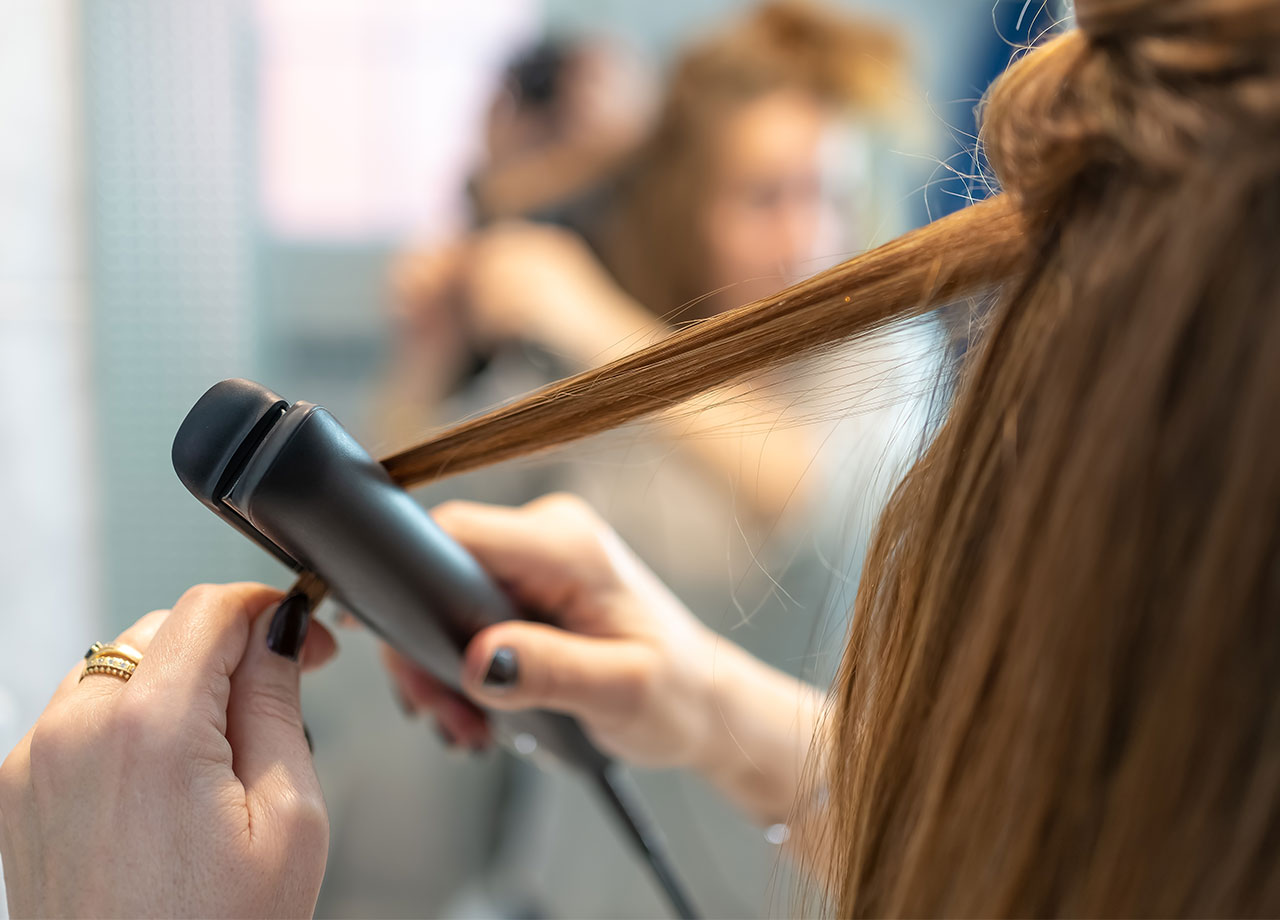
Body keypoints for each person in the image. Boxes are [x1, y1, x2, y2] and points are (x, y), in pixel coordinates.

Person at [6, 1, 1279, 917]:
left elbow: (809, 502)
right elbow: (402, 498)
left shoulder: (874, 366)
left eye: (824, 192)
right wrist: (694, 700)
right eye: (764, 192)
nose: (806, 230)